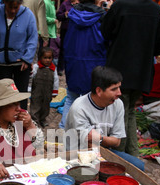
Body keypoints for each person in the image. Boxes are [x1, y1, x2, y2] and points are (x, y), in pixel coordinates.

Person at [100, 0, 160, 157]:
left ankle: (119, 156)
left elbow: (105, 30)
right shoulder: (155, 9)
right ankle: (132, 154)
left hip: (120, 67)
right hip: (142, 71)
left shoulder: (120, 6)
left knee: (121, 112)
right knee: (129, 110)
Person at [65, 66, 144, 171]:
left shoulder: (118, 104)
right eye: (114, 89)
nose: (119, 93)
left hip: (104, 152)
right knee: (92, 174)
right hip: (79, 154)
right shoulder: (79, 108)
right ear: (99, 91)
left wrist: (100, 138)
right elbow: (88, 143)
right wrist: (106, 140)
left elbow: (117, 142)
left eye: (119, 87)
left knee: (138, 166)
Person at [58, 0, 108, 129]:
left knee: (71, 97)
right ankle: (88, 134)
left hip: (74, 62)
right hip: (95, 63)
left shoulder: (73, 14)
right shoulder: (102, 17)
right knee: (93, 100)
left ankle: (64, 129)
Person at [0, 0, 38, 110]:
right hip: (1, 64)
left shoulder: (28, 15)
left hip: (21, 65)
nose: (13, 10)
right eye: (10, 7)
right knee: (2, 98)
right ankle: (4, 125)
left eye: (16, 7)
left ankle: (19, 125)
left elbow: (32, 39)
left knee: (21, 97)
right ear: (4, 3)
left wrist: (27, 59)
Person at [30, 47, 59, 128]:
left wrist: (54, 92)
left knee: (45, 106)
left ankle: (43, 119)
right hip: (37, 91)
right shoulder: (36, 67)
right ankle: (34, 119)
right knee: (35, 105)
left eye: (49, 58)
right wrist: (29, 88)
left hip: (48, 92)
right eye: (45, 58)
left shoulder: (53, 69)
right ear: (40, 58)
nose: (47, 60)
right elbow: (31, 76)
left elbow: (56, 81)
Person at [56, 0, 79, 75]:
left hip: (75, 30)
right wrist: (65, 15)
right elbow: (58, 16)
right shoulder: (65, 3)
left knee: (74, 49)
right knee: (63, 49)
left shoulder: (80, 4)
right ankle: (60, 68)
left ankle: (71, 68)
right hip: (65, 30)